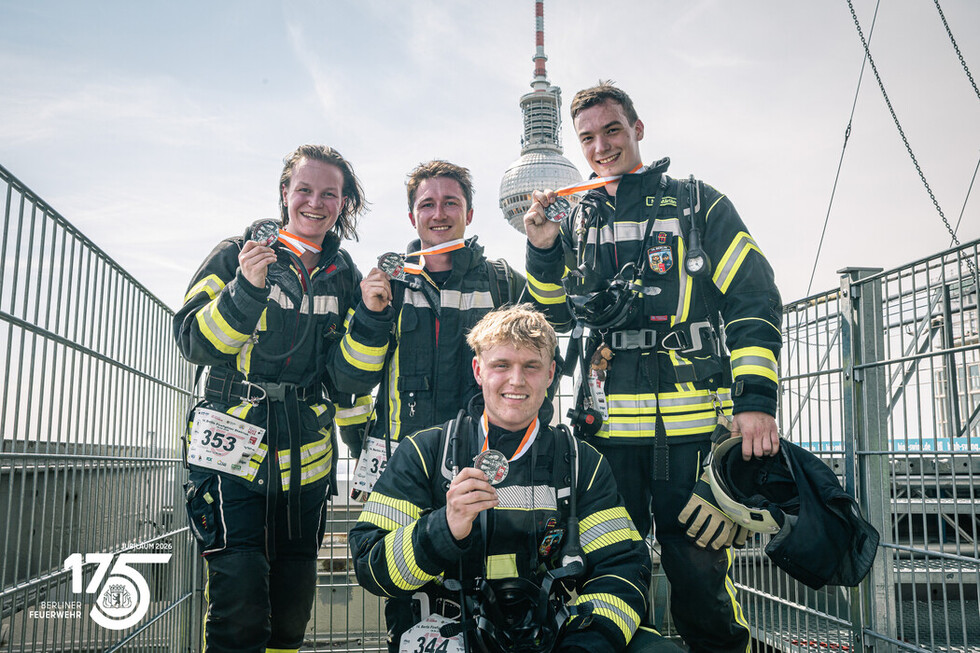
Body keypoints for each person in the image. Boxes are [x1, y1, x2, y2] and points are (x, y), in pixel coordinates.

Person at [523, 81, 783, 652]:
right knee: (613, 574)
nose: (601, 146)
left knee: (701, 577)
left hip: (693, 435)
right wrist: (541, 249)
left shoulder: (698, 202)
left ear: (637, 129)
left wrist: (756, 401)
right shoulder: (572, 219)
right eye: (587, 137)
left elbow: (753, 298)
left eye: (612, 130)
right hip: (607, 436)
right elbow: (551, 319)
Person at [173, 144, 394, 653]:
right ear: (284, 194)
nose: (315, 202)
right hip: (229, 446)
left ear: (343, 203)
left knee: (292, 609)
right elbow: (192, 343)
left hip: (306, 458)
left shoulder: (346, 276)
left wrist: (372, 318)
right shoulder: (236, 254)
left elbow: (348, 381)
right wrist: (245, 290)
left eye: (329, 194)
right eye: (305, 190)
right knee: (240, 602)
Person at [349, 305, 654, 653]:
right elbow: (370, 569)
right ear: (479, 370)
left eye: (531, 366)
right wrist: (442, 529)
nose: (516, 380)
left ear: (551, 373)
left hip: (551, 637)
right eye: (501, 365)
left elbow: (622, 569)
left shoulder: (581, 462)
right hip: (448, 635)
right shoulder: (424, 453)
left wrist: (585, 645)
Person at [337, 160, 528, 465]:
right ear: (413, 217)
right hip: (400, 461)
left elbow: (541, 364)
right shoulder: (385, 287)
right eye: (428, 204)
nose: (439, 214)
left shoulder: (503, 283)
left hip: (481, 458)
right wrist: (371, 316)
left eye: (450, 203)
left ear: (469, 214)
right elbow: (348, 381)